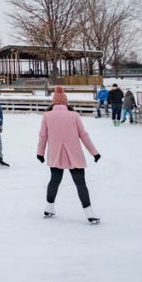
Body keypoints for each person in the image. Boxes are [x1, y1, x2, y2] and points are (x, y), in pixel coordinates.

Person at [38, 86, 101, 224]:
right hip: (74, 154)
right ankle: (89, 213)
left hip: (55, 153)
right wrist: (94, 152)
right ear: (66, 102)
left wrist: (40, 153)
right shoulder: (74, 115)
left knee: (54, 180)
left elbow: (43, 136)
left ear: (53, 102)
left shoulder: (47, 115)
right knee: (80, 183)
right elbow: (83, 135)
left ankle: (49, 208)